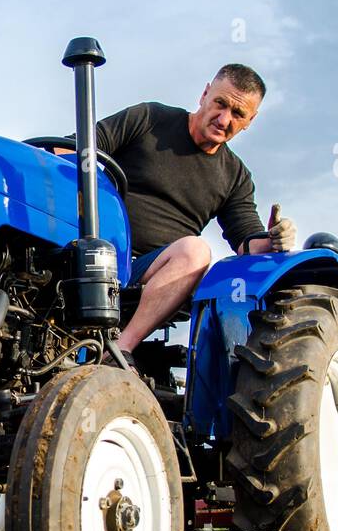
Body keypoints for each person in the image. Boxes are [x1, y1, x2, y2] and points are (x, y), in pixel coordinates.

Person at [92, 63, 295, 357]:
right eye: (220, 104)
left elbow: (246, 241)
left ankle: (120, 351)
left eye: (238, 114)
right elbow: (77, 149)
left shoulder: (235, 176)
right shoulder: (150, 119)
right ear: (204, 94)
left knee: (197, 252)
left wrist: (275, 240)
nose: (224, 119)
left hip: (153, 269)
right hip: (97, 250)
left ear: (250, 120)